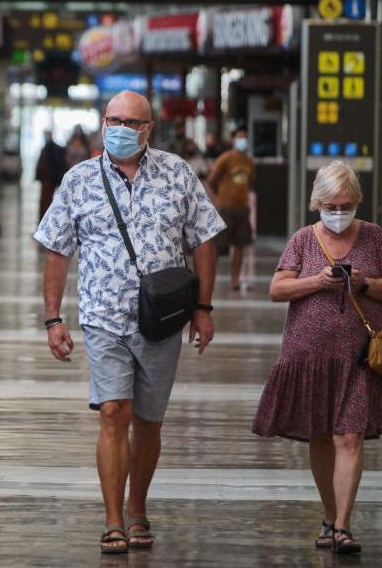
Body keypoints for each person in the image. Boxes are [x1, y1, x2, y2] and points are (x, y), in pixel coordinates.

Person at [34, 91, 224, 555]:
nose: (120, 128)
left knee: (149, 421)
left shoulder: (177, 173)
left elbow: (204, 240)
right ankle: (113, 518)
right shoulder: (78, 180)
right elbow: (57, 249)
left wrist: (203, 307)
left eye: (131, 122)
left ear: (148, 129)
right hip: (103, 316)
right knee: (114, 412)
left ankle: (138, 506)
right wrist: (53, 317)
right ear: (102, 122)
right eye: (113, 119)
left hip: (162, 319)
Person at [253, 160, 382, 556]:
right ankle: (328, 514)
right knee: (320, 435)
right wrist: (316, 281)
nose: (339, 213)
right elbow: (276, 288)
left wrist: (364, 283)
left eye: (346, 204)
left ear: (357, 201)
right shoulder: (303, 239)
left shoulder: (373, 237)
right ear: (317, 202)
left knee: (350, 435)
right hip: (309, 355)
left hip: (358, 357)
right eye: (332, 205)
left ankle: (343, 526)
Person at [208, 127, 256, 291]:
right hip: (226, 208)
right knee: (218, 247)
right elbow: (212, 179)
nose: (243, 140)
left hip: (242, 208)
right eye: (240, 137)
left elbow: (249, 182)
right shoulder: (225, 159)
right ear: (233, 139)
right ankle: (209, 278)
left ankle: (235, 280)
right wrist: (219, 197)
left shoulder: (249, 161)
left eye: (245, 137)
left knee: (240, 245)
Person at [35, 130, 69, 218]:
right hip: (47, 179)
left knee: (47, 200)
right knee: (44, 200)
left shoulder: (52, 148)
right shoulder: (46, 148)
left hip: (50, 178)